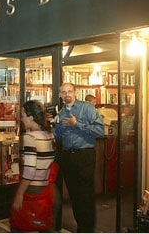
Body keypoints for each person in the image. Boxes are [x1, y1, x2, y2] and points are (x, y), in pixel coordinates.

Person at [52, 82, 104, 232]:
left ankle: (87, 230)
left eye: (69, 91)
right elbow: (59, 138)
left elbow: (100, 131)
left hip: (84, 156)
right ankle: (81, 228)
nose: (67, 94)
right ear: (60, 95)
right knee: (74, 196)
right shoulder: (61, 113)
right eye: (63, 92)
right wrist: (55, 128)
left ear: (76, 92)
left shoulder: (86, 108)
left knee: (85, 197)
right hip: (68, 157)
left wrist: (77, 124)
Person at [11, 100, 56, 231]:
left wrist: (19, 193)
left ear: (31, 117)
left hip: (31, 189)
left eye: (23, 115)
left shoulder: (29, 137)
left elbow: (30, 170)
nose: (21, 119)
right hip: (45, 187)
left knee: (20, 224)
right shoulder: (50, 135)